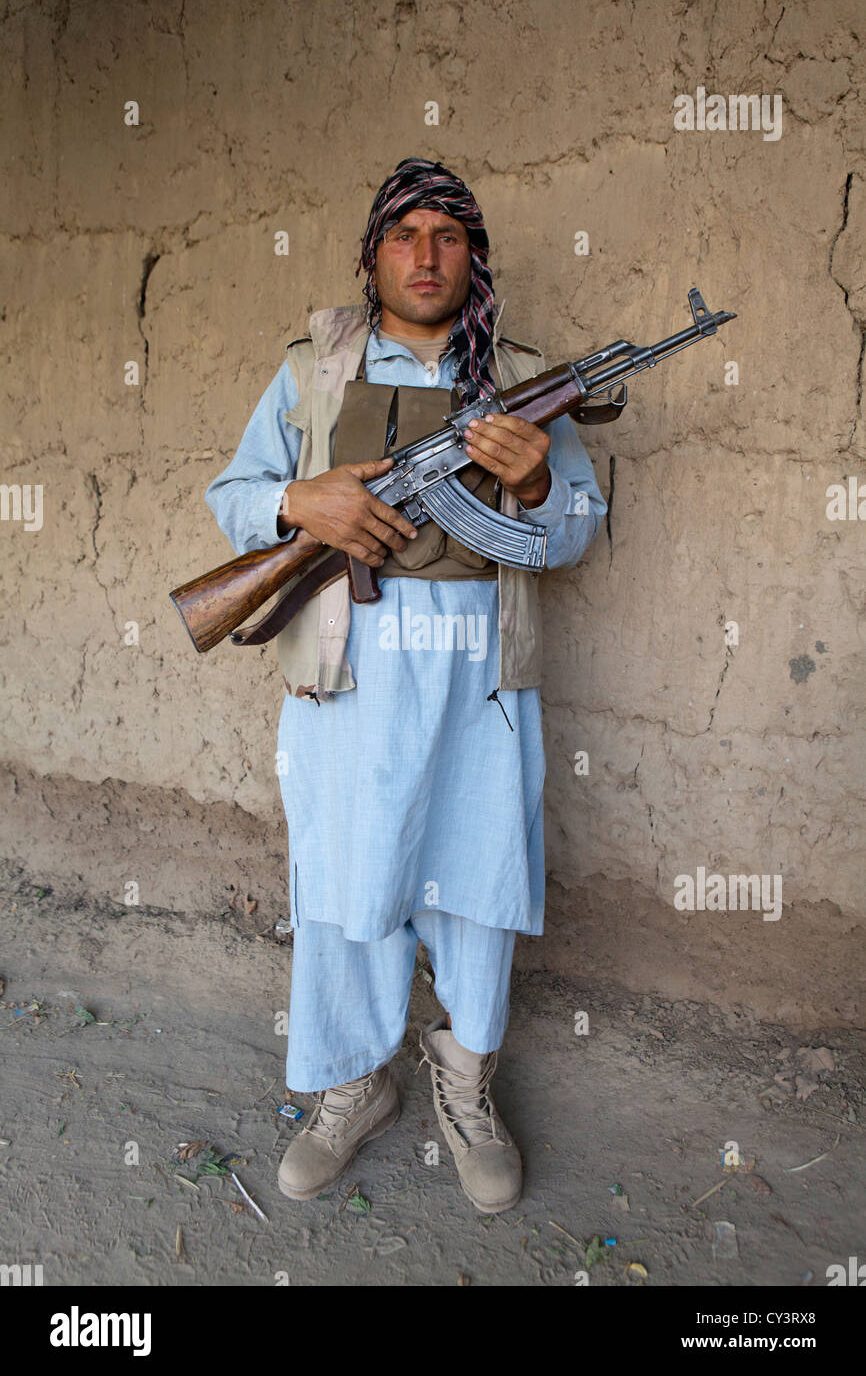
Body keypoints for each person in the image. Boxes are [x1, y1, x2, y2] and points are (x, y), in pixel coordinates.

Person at [205, 157, 607, 1215]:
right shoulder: (313, 369)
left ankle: (466, 1086)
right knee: (345, 884)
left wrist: (530, 480)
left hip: (480, 685)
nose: (425, 255)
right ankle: (351, 1085)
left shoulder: (517, 377)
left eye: (447, 234)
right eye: (404, 235)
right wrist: (305, 505)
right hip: (347, 680)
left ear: (474, 254)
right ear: (372, 254)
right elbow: (233, 494)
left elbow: (572, 536)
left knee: (478, 878)